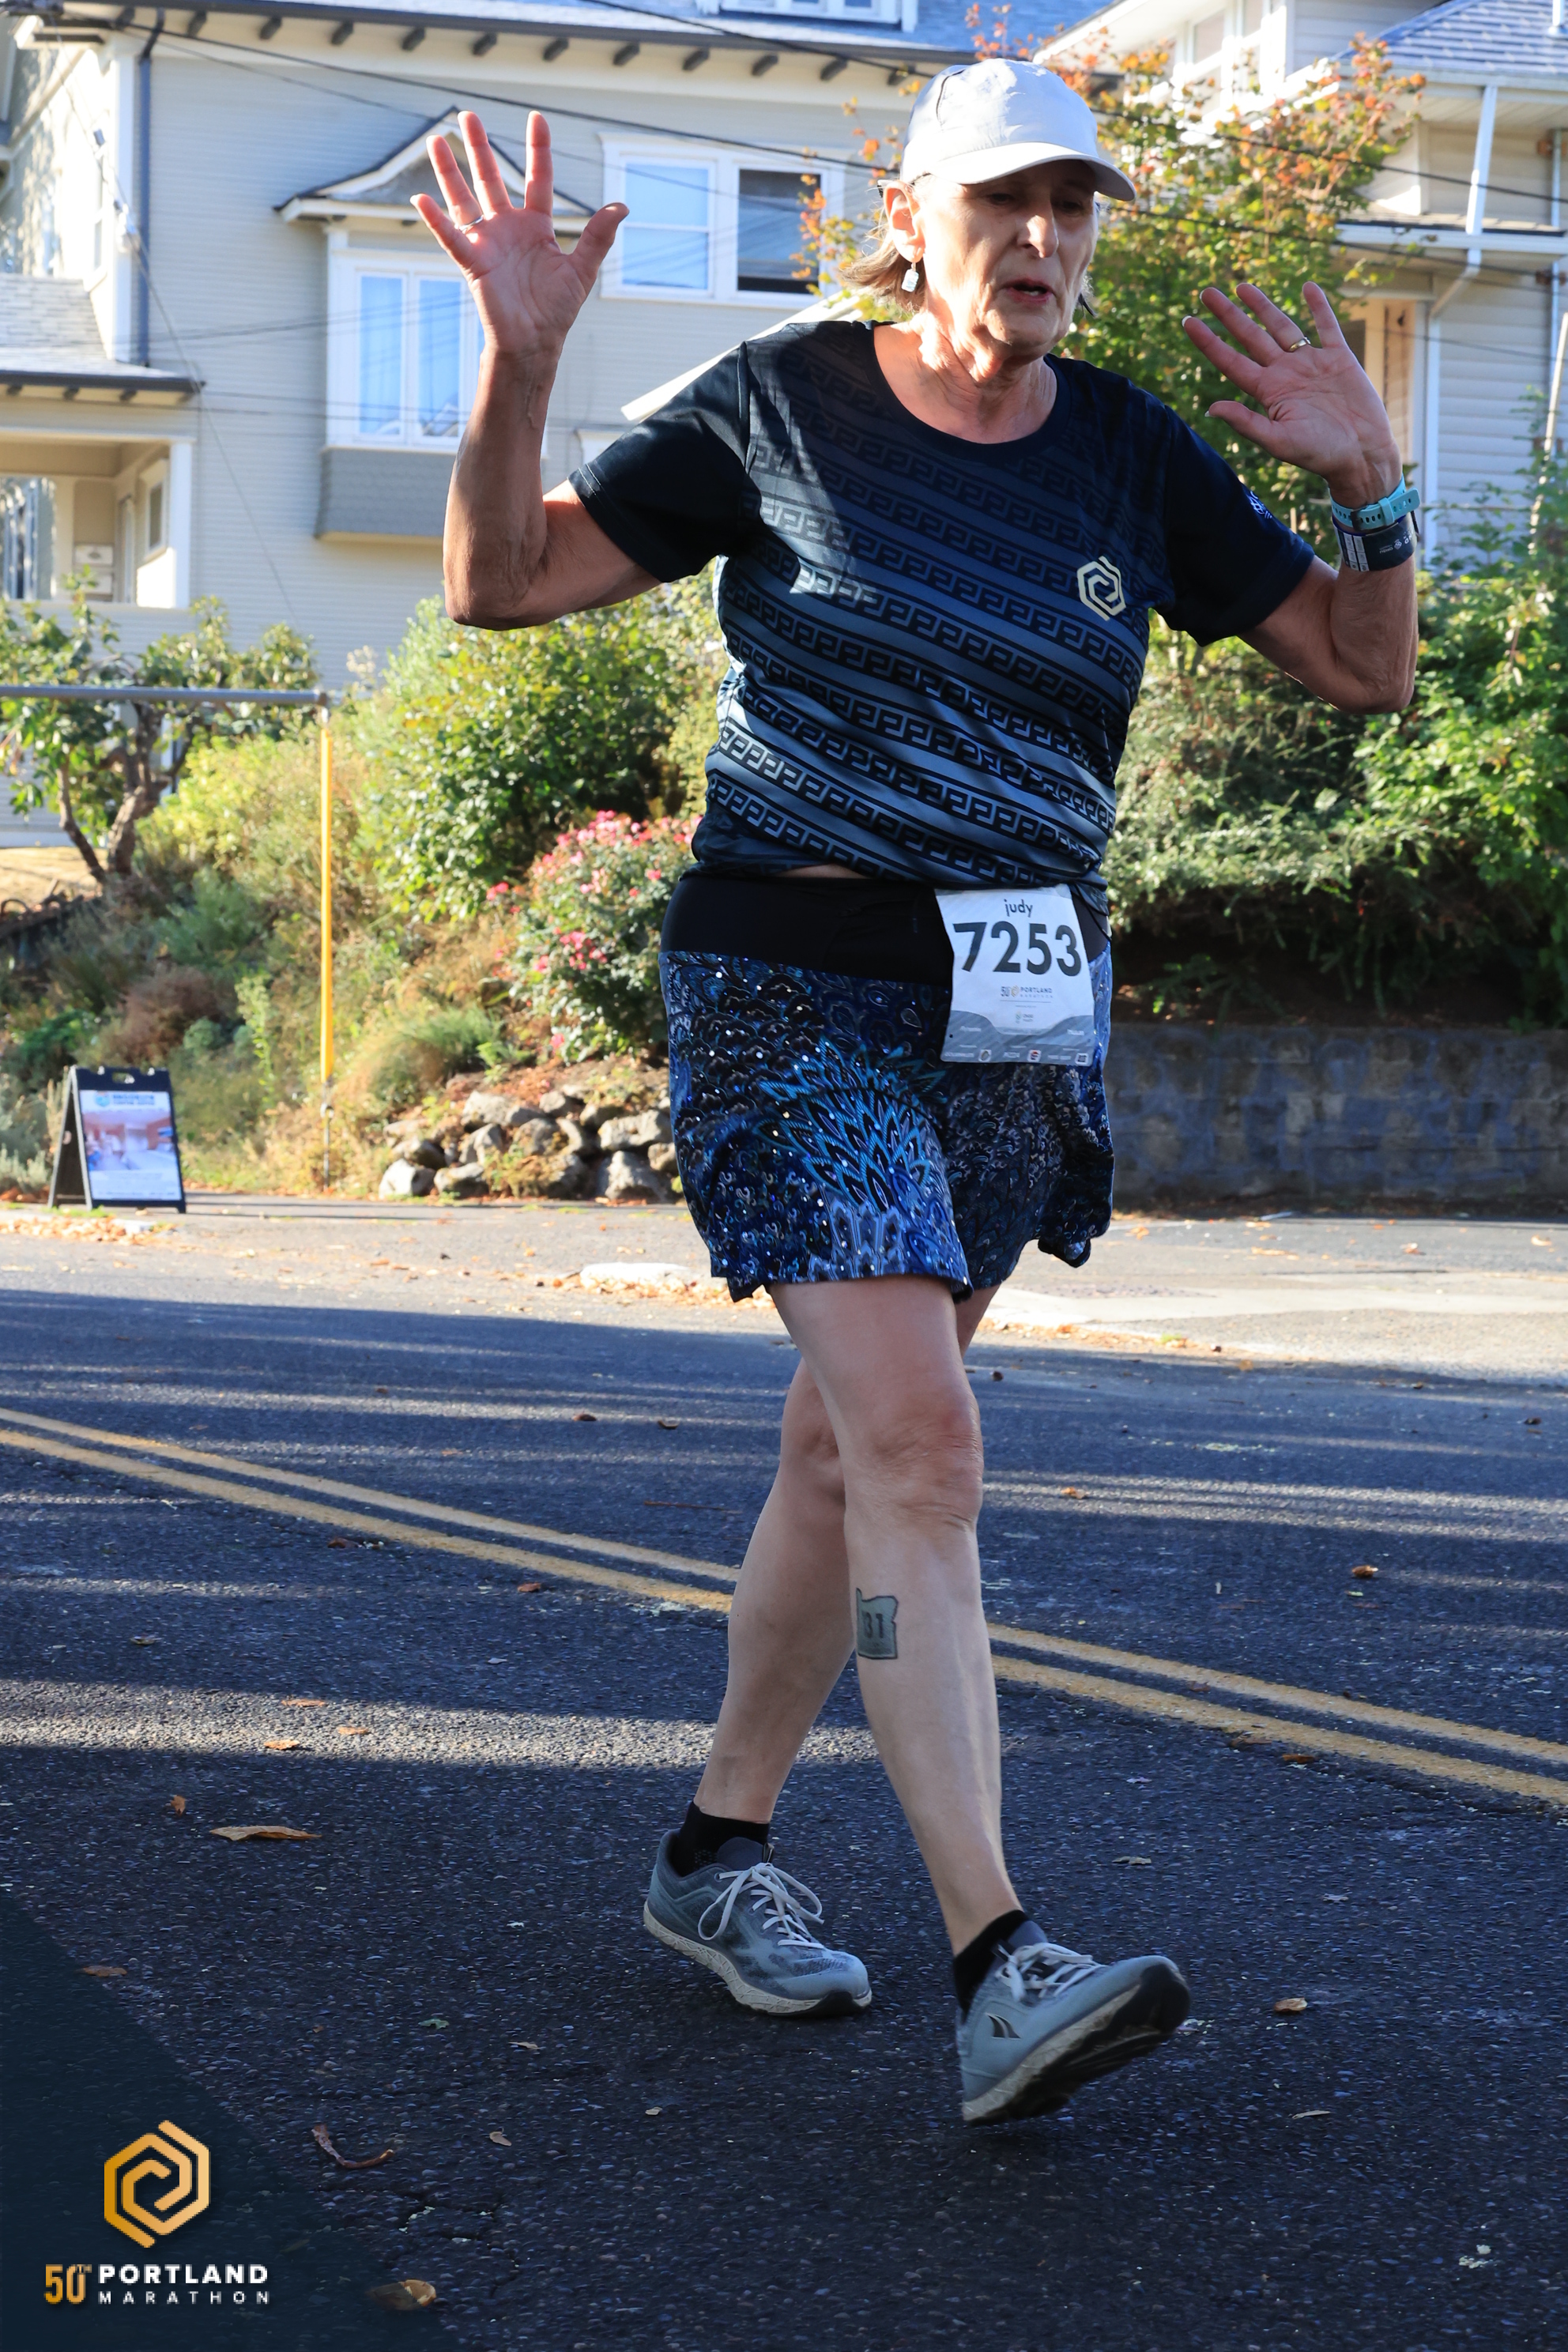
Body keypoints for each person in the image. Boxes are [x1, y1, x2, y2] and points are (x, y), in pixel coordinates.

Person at [416, 58, 1417, 2125]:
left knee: (845, 1455)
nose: (1042, 239)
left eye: (1074, 206)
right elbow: (502, 579)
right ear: (914, 220)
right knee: (922, 1442)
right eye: (1002, 202)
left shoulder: (1125, 453)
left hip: (1015, 1007)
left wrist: (1374, 488)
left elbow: (1362, 665)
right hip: (793, 987)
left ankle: (714, 1854)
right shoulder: (783, 409)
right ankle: (999, 1961)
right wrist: (519, 361)